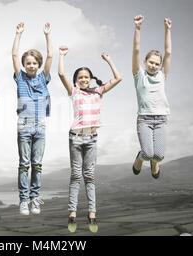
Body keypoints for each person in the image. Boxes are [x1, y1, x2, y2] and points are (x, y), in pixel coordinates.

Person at [58, 46, 122, 233]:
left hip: (92, 139)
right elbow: (61, 74)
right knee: (76, 176)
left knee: (90, 176)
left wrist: (109, 60)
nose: (84, 79)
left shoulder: (98, 92)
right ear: (76, 81)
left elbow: (118, 78)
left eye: (87, 76)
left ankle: (92, 213)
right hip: (76, 139)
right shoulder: (74, 92)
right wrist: (62, 56)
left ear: (91, 78)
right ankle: (72, 213)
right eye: (80, 77)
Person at [12, 22, 53, 215]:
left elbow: (51, 56)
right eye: (28, 62)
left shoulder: (44, 78)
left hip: (40, 126)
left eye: (34, 63)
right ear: (24, 65)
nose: (31, 65)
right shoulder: (20, 78)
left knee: (37, 164)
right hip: (24, 125)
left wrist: (47, 35)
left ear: (38, 64)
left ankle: (35, 198)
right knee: (24, 164)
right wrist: (18, 34)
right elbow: (13, 55)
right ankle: (23, 200)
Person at [131, 15, 172, 179]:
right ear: (145, 62)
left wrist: (167, 29)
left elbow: (168, 52)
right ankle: (141, 157)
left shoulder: (162, 76)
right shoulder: (138, 75)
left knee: (159, 156)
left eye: (157, 63)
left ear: (160, 66)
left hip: (161, 119)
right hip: (145, 119)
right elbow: (136, 50)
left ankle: (155, 161)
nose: (154, 65)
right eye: (151, 62)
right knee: (147, 153)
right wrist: (138, 28)